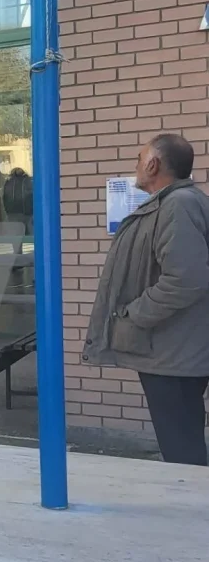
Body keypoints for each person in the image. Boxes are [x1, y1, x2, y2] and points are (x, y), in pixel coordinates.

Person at [84, 133, 209, 467]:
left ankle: (188, 500)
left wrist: (134, 313)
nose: (137, 166)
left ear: (153, 165)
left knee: (182, 450)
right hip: (174, 351)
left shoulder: (178, 205)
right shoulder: (175, 203)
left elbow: (186, 279)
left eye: (139, 159)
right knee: (183, 441)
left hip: (173, 353)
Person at [2, 168, 34, 255]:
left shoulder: (9, 182)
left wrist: (7, 211)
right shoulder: (28, 181)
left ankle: (18, 255)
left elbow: (4, 197)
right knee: (31, 235)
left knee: (17, 237)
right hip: (25, 212)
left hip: (15, 213)